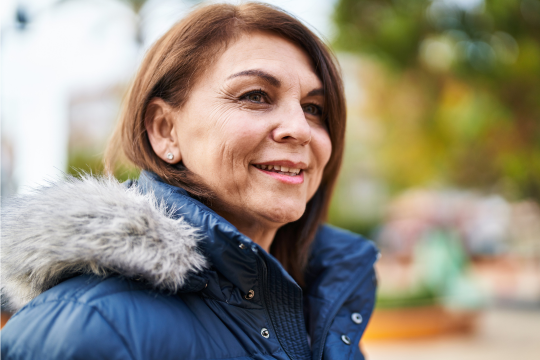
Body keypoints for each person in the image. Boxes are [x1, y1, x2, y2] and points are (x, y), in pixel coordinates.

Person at [1, 3, 378, 359]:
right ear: (165, 131)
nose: (300, 129)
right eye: (256, 96)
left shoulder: (325, 303)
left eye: (314, 108)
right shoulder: (88, 328)